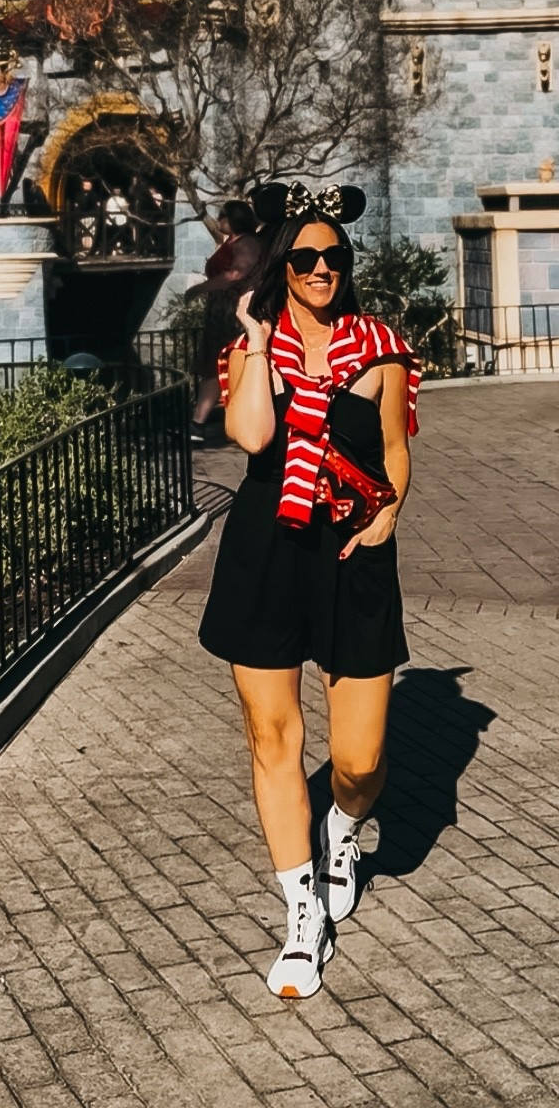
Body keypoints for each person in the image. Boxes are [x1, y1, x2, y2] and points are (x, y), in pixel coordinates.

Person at [198, 181, 420, 1000]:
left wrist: (390, 513)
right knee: (273, 738)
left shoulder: (382, 350)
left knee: (359, 760)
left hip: (353, 552)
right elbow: (253, 435)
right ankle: (302, 915)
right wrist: (257, 344)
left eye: (334, 257)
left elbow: (394, 451)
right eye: (305, 258)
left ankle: (342, 827)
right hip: (266, 552)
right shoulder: (251, 348)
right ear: (282, 267)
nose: (322, 269)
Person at [188, 200, 261, 446]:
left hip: (233, 312)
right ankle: (198, 423)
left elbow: (235, 275)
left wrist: (200, 288)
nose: (219, 220)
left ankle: (231, 422)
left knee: (230, 362)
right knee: (213, 365)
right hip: (219, 311)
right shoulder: (230, 242)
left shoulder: (247, 244)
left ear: (232, 219)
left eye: (222, 215)